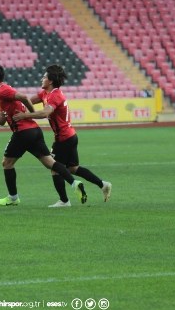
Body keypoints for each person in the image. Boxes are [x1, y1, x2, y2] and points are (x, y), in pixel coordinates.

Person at [0, 64, 87, 207]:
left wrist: (28, 113)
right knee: (50, 163)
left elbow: (24, 97)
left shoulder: (3, 91)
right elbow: (2, 121)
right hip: (34, 132)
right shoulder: (3, 95)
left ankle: (13, 197)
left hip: (23, 132)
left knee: (6, 163)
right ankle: (75, 183)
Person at [13, 65, 112, 206]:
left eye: (45, 77)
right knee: (73, 168)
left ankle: (64, 201)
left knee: (54, 169)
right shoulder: (45, 93)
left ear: (51, 80)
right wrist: (13, 101)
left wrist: (25, 115)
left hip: (64, 138)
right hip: (70, 136)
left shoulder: (55, 95)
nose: (42, 78)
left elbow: (44, 113)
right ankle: (103, 184)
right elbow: (27, 101)